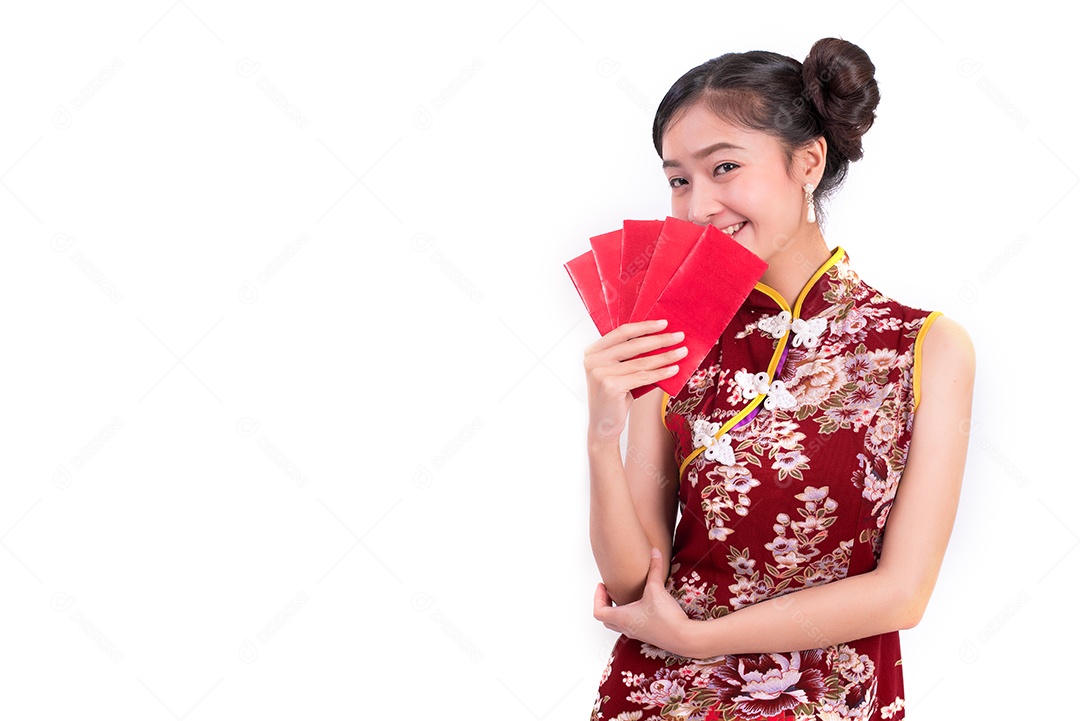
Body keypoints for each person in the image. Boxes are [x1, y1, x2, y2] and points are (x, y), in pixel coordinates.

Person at [584, 38, 975, 720]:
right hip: (663, 700)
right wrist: (602, 435)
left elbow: (902, 593)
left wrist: (700, 637)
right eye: (679, 180)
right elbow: (632, 580)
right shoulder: (675, 338)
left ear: (808, 161)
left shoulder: (924, 346)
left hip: (831, 702)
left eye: (724, 168)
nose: (698, 205)